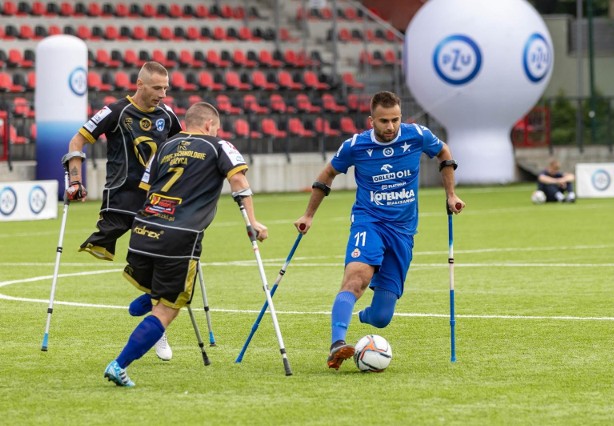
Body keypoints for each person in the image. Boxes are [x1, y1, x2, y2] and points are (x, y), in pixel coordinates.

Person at [293, 91, 464, 370]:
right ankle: (337, 344)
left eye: (395, 120)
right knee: (356, 279)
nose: (391, 127)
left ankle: (356, 315)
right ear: (371, 120)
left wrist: (451, 195)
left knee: (382, 316)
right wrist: (308, 215)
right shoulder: (355, 146)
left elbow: (444, 152)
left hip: (403, 231)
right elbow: (327, 176)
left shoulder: (417, 135)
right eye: (384, 121)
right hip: (368, 221)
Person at [104, 102, 268, 387]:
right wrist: (252, 222)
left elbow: (144, 188)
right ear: (208, 125)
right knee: (168, 308)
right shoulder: (219, 146)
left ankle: (149, 296)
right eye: (215, 127)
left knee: (158, 293)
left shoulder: (164, 147)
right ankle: (119, 365)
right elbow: (239, 180)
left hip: (143, 229)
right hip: (179, 237)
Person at [63, 61, 182, 360]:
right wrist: (75, 180)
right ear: (139, 84)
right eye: (157, 88)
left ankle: (157, 321)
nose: (163, 94)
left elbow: (184, 143)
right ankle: (154, 302)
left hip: (158, 199)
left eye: (166, 88)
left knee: (162, 257)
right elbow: (77, 140)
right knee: (126, 253)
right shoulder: (114, 112)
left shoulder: (167, 115)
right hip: (121, 199)